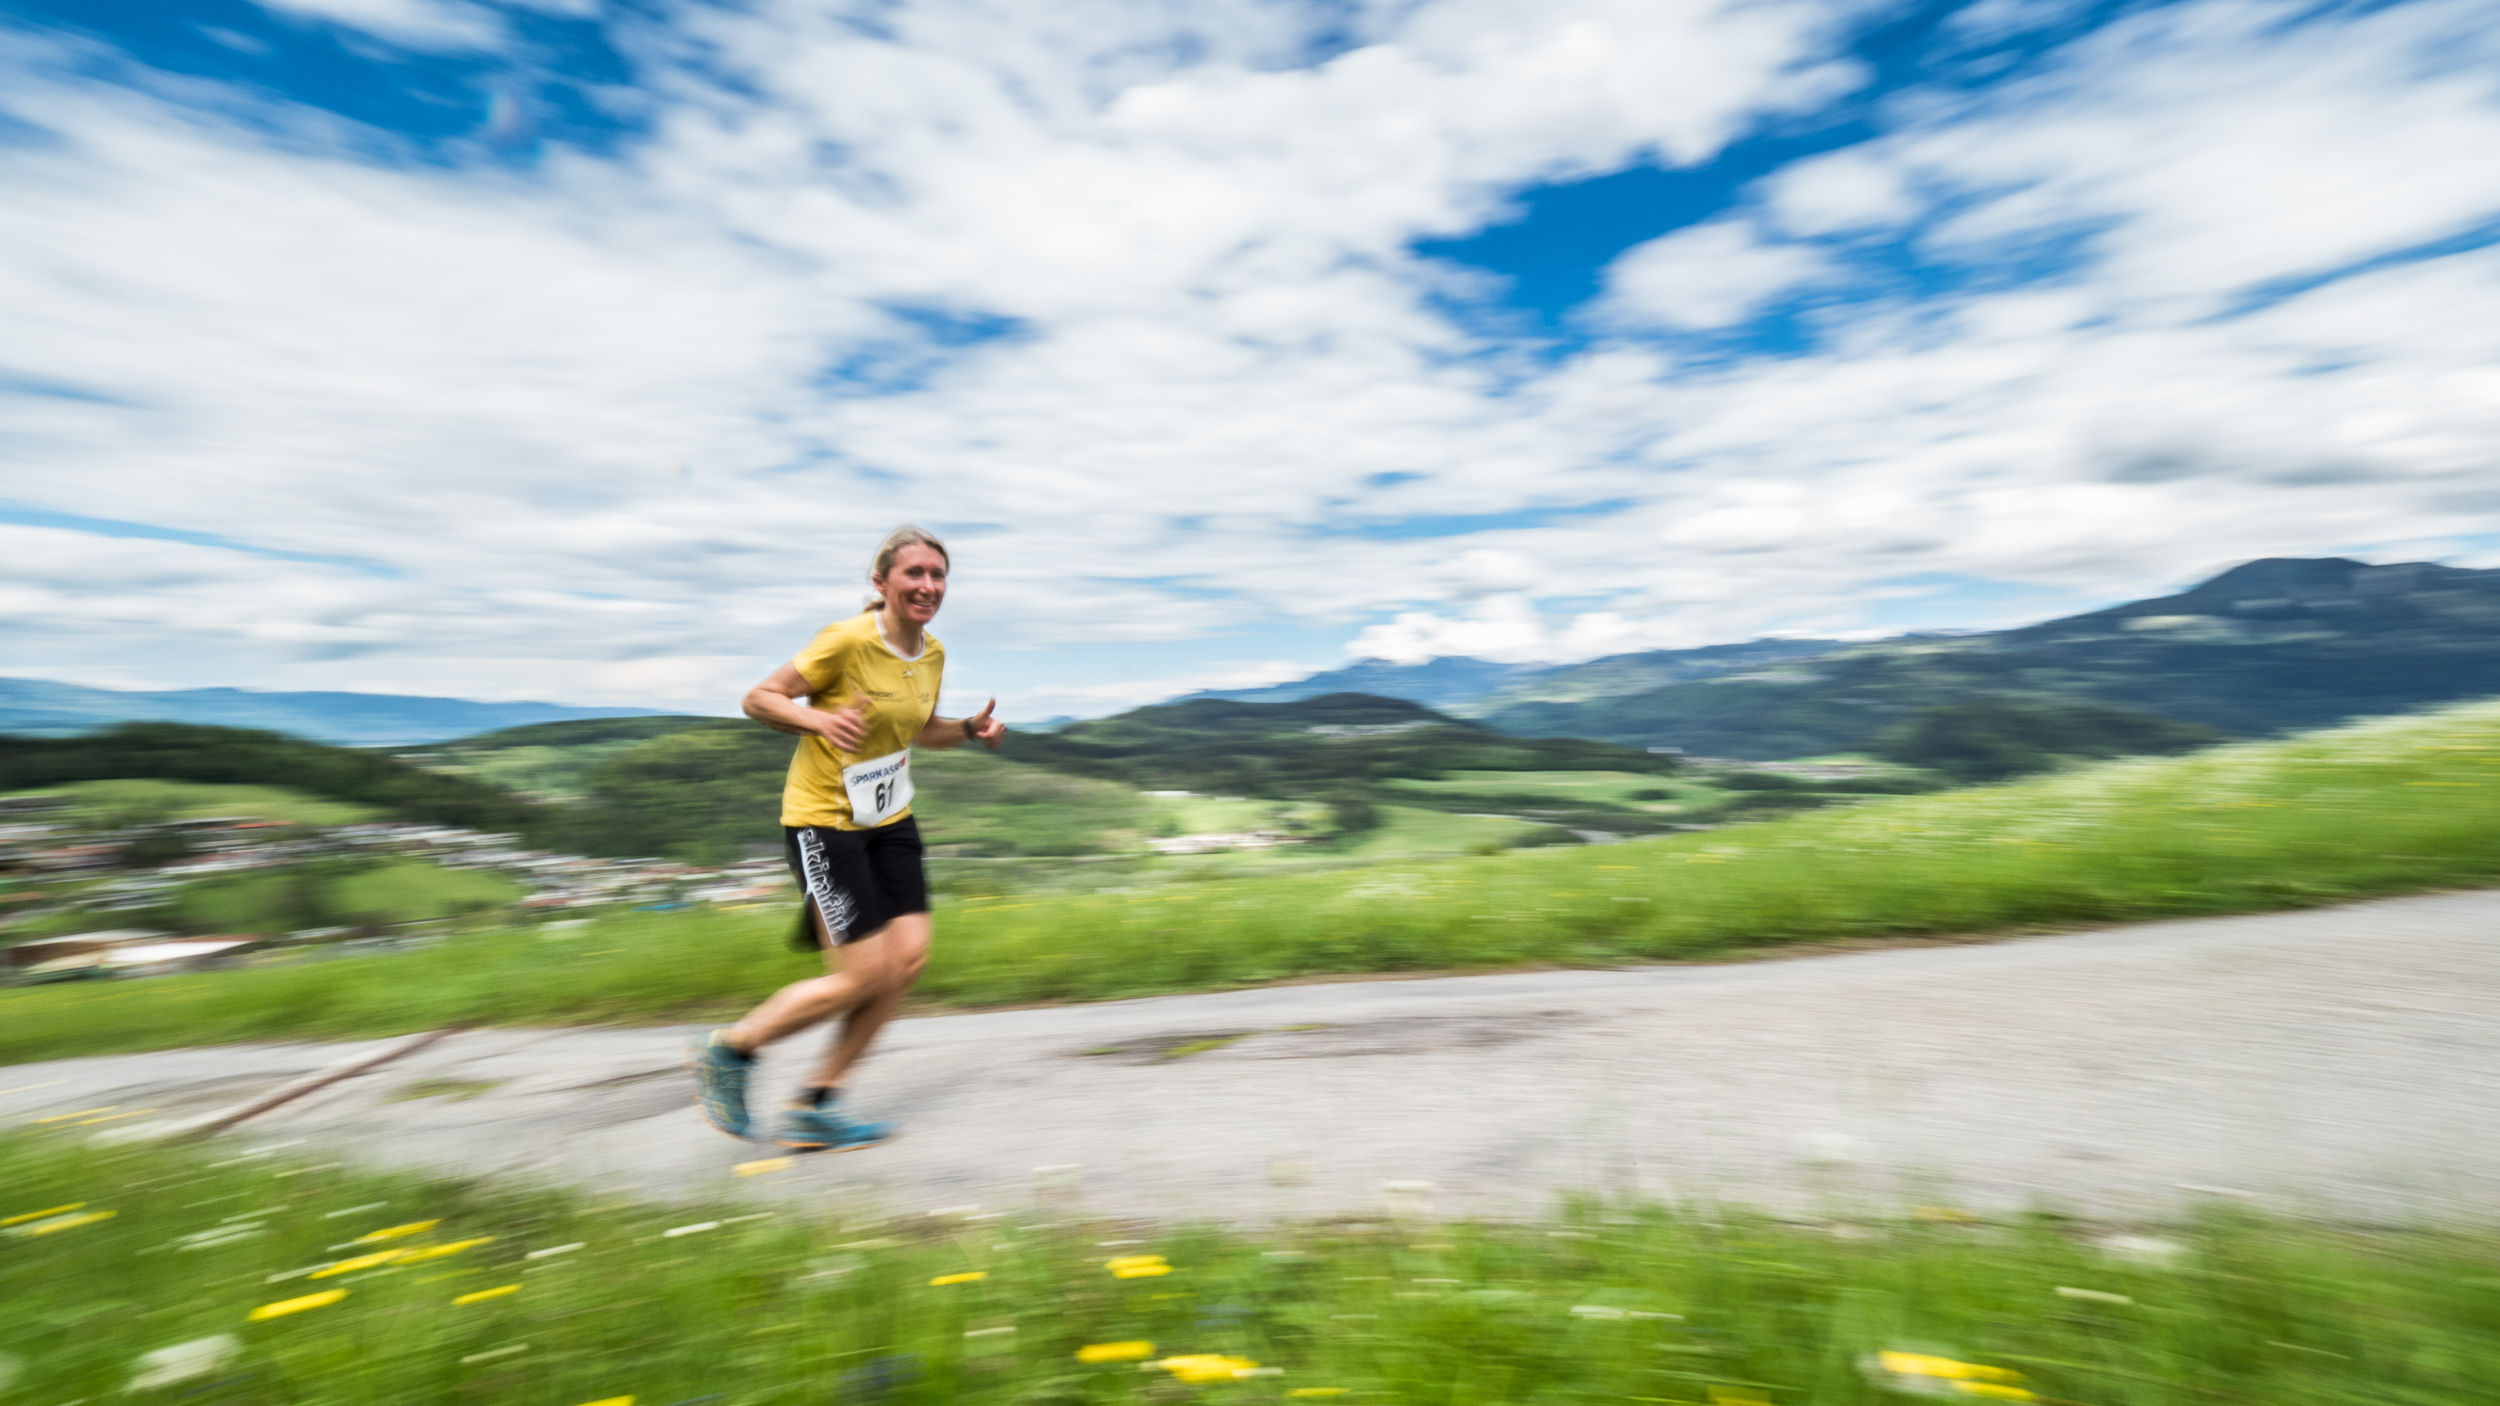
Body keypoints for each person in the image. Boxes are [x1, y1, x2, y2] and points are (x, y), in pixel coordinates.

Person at [687, 525, 1005, 1150]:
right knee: (861, 976)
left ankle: (817, 1102)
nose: (928, 585)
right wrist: (818, 720)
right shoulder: (848, 640)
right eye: (914, 573)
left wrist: (968, 729)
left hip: (889, 821)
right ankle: (730, 1048)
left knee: (906, 962)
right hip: (824, 824)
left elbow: (920, 730)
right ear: (881, 582)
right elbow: (760, 698)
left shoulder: (932, 653)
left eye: (938, 575)